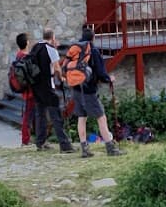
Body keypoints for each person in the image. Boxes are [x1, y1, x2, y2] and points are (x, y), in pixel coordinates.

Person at [66, 28, 122, 157]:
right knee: (101, 117)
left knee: (82, 117)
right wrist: (109, 79)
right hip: (89, 91)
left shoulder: (76, 50)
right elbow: (101, 72)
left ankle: (85, 149)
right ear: (93, 38)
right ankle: (110, 148)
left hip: (76, 88)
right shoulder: (93, 51)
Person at [28, 28, 72, 152]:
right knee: (56, 115)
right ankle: (65, 145)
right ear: (52, 37)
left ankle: (40, 143)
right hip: (47, 85)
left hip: (36, 86)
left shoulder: (35, 47)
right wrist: (62, 78)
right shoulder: (50, 49)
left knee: (40, 114)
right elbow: (57, 68)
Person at [9, 32, 36, 146]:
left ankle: (31, 137)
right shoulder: (26, 57)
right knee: (28, 116)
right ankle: (25, 140)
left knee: (31, 115)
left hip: (25, 90)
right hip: (31, 91)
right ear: (27, 42)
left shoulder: (18, 55)